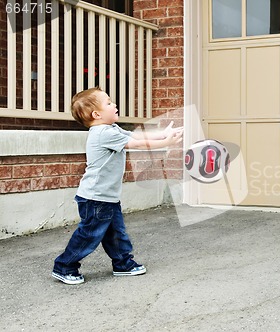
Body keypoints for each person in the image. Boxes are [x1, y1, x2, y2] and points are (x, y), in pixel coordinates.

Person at [52, 87, 183, 284]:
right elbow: (137, 145)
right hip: (95, 198)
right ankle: (64, 266)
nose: (114, 105)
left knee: (116, 233)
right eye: (108, 103)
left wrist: (163, 133)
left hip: (106, 197)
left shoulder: (112, 129)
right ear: (96, 114)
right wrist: (165, 142)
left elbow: (137, 137)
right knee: (89, 236)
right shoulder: (102, 133)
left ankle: (123, 264)